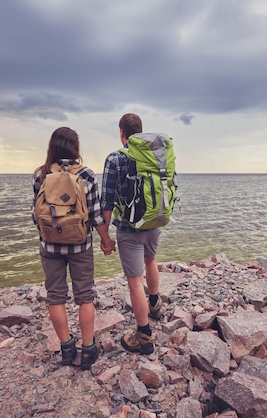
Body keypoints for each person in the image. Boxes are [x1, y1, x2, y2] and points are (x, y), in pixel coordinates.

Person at [32, 127, 115, 370]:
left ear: (52, 147)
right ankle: (88, 350)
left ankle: (66, 348)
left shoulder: (41, 174)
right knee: (85, 297)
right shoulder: (87, 175)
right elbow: (96, 214)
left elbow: (35, 214)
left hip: (50, 245)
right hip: (80, 244)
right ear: (76, 148)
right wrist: (106, 241)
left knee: (55, 297)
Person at [100, 113, 163, 355]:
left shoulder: (115, 158)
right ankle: (155, 305)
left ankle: (144, 337)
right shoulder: (154, 155)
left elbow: (106, 202)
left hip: (129, 227)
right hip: (153, 221)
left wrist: (105, 238)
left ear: (121, 133)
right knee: (151, 261)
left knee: (135, 281)